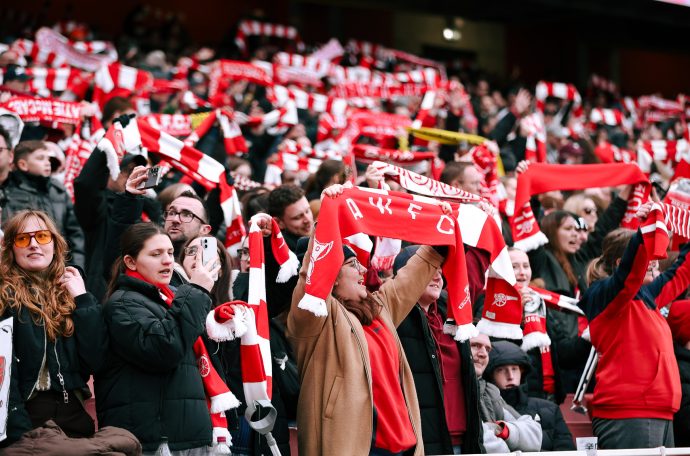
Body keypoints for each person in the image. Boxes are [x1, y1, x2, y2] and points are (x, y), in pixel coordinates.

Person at [288, 184, 450, 455]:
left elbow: (413, 275)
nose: (364, 269)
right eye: (353, 265)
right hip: (358, 447)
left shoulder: (378, 308)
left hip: (402, 445)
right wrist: (327, 219)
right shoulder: (315, 318)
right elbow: (311, 276)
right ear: (333, 276)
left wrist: (440, 227)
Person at [96, 222, 220, 454]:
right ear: (130, 262)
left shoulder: (168, 298)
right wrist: (197, 290)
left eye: (171, 253)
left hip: (183, 434)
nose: (167, 261)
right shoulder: (123, 303)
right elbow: (164, 348)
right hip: (154, 440)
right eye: (156, 254)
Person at [579, 201, 690, 449]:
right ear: (620, 263)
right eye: (650, 256)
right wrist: (647, 230)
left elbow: (681, 273)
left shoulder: (646, 297)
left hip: (659, 410)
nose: (655, 262)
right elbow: (631, 273)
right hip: (629, 413)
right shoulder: (604, 296)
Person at [0, 210, 106, 445]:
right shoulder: (3, 297)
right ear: (11, 248)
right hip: (27, 414)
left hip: (73, 412)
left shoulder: (74, 291)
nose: (34, 244)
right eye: (22, 238)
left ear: (55, 244)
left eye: (42, 236)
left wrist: (83, 300)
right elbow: (5, 373)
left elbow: (96, 360)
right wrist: (19, 432)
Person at [394, 245, 483, 455]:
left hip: (464, 439)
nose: (437, 277)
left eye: (440, 271)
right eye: (429, 269)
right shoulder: (394, 316)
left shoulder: (454, 312)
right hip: (421, 441)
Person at [2, 140, 86, 269]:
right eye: (40, 158)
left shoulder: (58, 190)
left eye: (48, 158)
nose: (47, 163)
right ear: (23, 165)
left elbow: (75, 234)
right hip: (21, 268)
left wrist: (77, 268)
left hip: (59, 268)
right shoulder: (9, 191)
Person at [485, 341, 575, 451]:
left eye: (514, 369)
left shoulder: (550, 409)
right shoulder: (486, 409)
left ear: (522, 372)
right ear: (491, 375)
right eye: (501, 370)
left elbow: (566, 450)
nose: (510, 376)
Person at [470, 333, 542, 454]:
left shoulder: (490, 392)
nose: (483, 354)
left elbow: (534, 435)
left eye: (487, 349)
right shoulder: (451, 389)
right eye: (475, 345)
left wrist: (503, 429)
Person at [267, 184, 313, 251]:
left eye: (307, 211)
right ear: (279, 223)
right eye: (297, 217)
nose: (307, 220)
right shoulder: (288, 256)